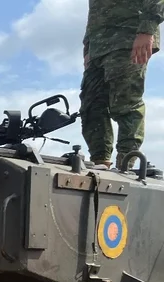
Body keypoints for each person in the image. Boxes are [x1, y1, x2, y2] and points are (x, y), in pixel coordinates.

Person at [80, 0, 164, 169]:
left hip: (128, 38)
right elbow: (95, 10)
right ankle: (100, 162)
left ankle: (126, 161)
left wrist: (147, 30)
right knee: (92, 105)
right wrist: (88, 46)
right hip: (99, 45)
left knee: (125, 101)